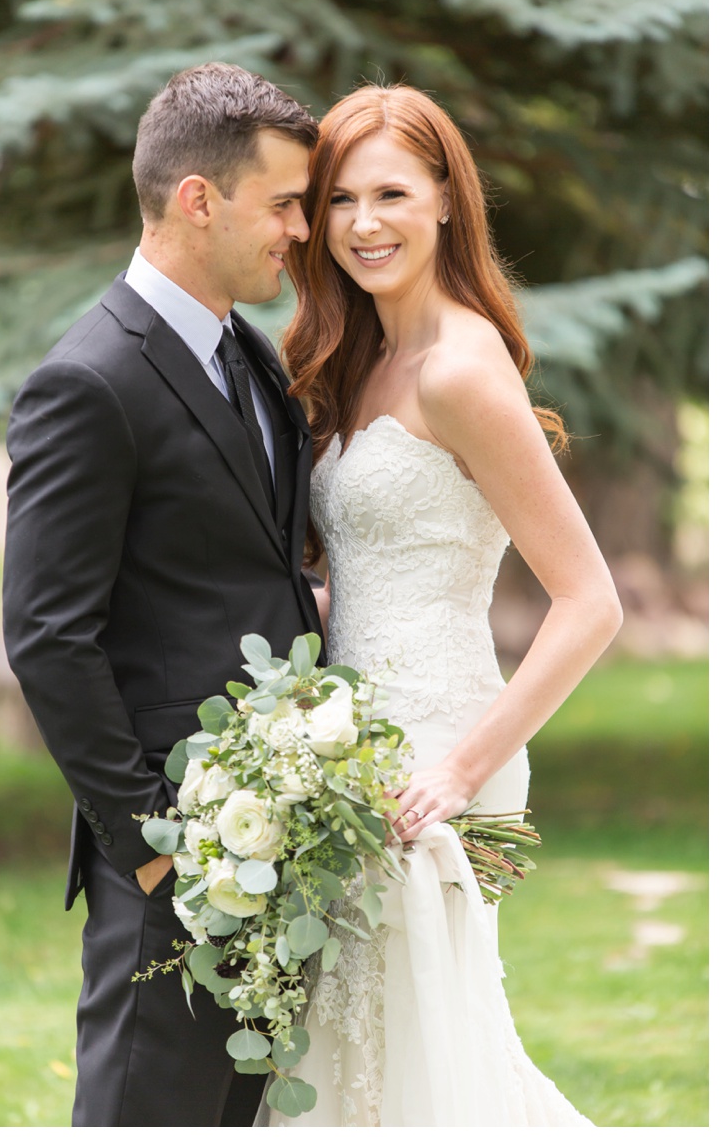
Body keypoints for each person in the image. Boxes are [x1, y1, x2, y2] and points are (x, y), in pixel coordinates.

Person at [274, 83, 620, 1125]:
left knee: (416, 1062)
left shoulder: (463, 370)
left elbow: (589, 600)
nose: (364, 224)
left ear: (443, 203)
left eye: (390, 194)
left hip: (435, 753)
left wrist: (458, 769)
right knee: (343, 1055)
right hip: (342, 742)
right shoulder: (356, 357)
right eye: (338, 198)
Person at [2, 63, 324, 1126]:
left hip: (275, 835)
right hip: (173, 854)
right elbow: (48, 637)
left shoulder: (248, 354)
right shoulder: (89, 381)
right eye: (282, 204)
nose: (300, 230)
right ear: (198, 198)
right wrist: (150, 847)